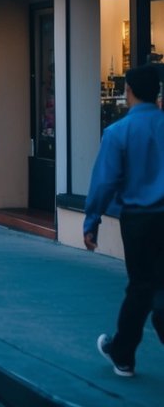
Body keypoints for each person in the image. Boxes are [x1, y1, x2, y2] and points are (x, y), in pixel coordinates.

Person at [84, 64, 164, 378]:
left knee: (140, 286)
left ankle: (123, 355)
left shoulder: (118, 132)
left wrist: (92, 220)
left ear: (128, 90)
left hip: (139, 220)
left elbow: (104, 182)